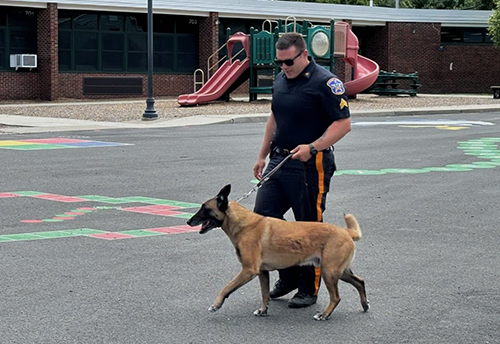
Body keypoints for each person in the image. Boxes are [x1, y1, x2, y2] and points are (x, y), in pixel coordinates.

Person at [253, 32, 352, 308]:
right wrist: (262, 154)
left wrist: (314, 146)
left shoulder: (325, 82)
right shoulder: (281, 80)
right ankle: (289, 274)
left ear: (304, 55)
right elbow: (274, 117)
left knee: (308, 224)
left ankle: (309, 288)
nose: (283, 67)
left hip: (311, 163)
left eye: (288, 62)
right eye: (279, 62)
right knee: (264, 216)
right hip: (279, 160)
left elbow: (343, 124)